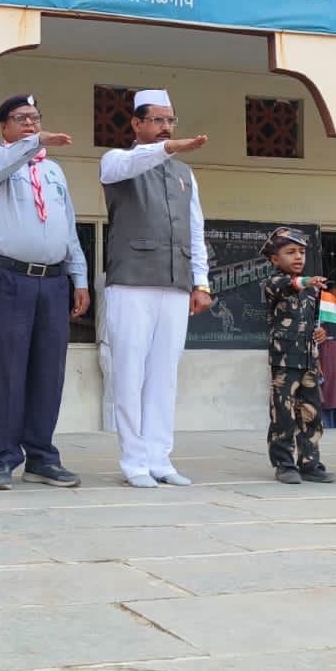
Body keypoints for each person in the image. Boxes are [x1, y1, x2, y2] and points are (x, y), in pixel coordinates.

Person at [101, 89, 210, 488]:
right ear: (136, 123)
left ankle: (159, 458)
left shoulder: (184, 174)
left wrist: (201, 282)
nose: (166, 127)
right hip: (131, 282)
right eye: (158, 120)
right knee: (130, 374)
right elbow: (133, 163)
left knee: (165, 375)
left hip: (176, 283)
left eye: (170, 120)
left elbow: (196, 230)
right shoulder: (117, 160)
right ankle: (134, 461)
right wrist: (168, 147)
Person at [0, 94, 88, 490]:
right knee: (8, 369)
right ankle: (4, 457)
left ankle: (42, 457)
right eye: (20, 118)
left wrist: (79, 278)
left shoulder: (54, 171)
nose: (29, 123)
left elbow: (69, 227)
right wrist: (35, 142)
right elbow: (4, 162)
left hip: (53, 281)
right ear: (3, 126)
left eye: (35, 117)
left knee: (48, 370)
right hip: (10, 279)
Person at [261, 226, 334, 485]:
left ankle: (310, 463)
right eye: (290, 252)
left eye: (301, 252)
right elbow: (289, 285)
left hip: (309, 360)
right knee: (283, 414)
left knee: (311, 414)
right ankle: (284, 464)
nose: (298, 257)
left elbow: (315, 321)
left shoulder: (312, 290)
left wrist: (321, 332)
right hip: (284, 361)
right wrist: (306, 281)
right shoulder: (273, 283)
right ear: (275, 259)